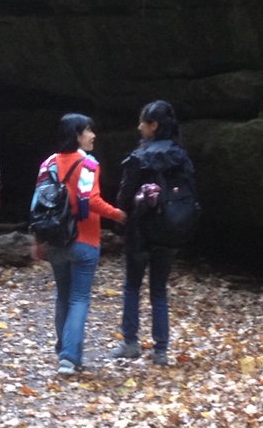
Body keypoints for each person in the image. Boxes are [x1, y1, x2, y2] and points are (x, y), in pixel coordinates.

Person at [39, 113, 125, 376]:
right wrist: (118, 214)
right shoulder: (88, 164)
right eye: (88, 131)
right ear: (76, 134)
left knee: (62, 295)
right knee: (79, 299)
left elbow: (39, 205)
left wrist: (37, 240)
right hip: (85, 240)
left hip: (55, 240)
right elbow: (91, 201)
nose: (93, 135)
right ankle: (69, 356)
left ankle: (64, 350)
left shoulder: (48, 164)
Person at [114, 100, 194, 367]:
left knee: (132, 286)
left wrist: (120, 223)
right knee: (158, 290)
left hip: (141, 229)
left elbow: (126, 193)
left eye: (143, 122)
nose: (139, 127)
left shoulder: (141, 157)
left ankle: (130, 342)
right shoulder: (181, 156)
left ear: (154, 126)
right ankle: (161, 350)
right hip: (170, 229)